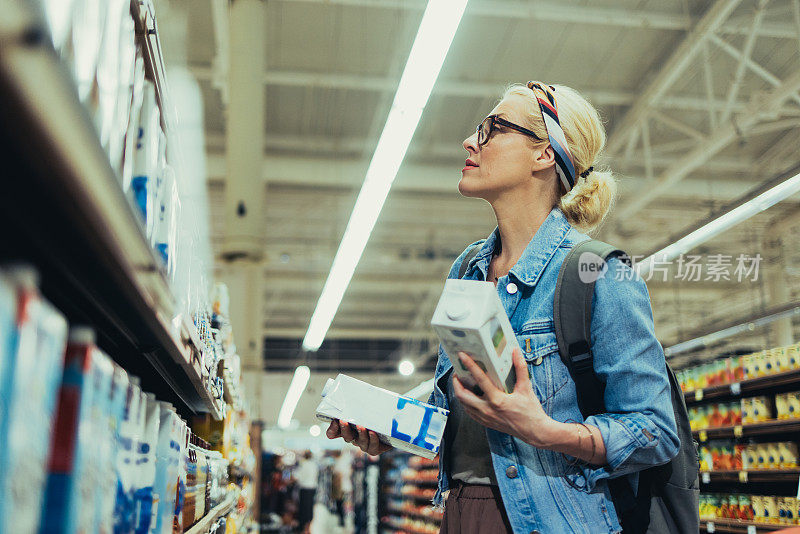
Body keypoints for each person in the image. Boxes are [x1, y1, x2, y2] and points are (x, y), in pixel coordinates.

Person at [327, 81, 680, 533]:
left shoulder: (598, 273)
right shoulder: (469, 267)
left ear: (544, 154)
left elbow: (655, 430)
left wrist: (544, 430)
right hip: (460, 510)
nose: (471, 141)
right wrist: (394, 432)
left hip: (556, 520)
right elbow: (471, 415)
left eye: (493, 128)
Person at [294, 450, 318, 534]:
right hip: (312, 488)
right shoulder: (314, 465)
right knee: (309, 508)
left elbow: (297, 477)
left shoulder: (303, 464)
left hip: (304, 488)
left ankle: (304, 528)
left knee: (303, 508)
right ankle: (308, 527)